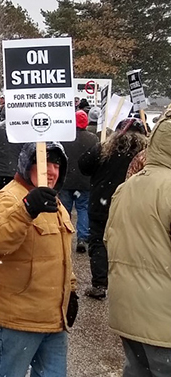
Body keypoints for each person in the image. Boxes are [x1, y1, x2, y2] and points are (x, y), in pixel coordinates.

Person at [0, 142, 78, 377]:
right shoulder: (8, 198)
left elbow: (60, 255)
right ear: (26, 165)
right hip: (18, 321)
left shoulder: (55, 202)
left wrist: (71, 291)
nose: (52, 171)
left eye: (57, 164)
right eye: (44, 163)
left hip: (54, 320)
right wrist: (25, 210)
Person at [106, 111, 171, 376]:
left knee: (137, 370)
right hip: (163, 314)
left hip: (127, 306)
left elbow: (110, 238)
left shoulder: (127, 187)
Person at [79, 118, 148, 300]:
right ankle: (125, 285)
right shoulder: (146, 154)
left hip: (102, 204)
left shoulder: (104, 149)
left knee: (99, 243)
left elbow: (83, 166)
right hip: (131, 205)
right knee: (129, 244)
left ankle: (100, 283)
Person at [58, 111, 99, 255]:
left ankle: (64, 236)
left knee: (64, 210)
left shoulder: (64, 137)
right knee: (83, 209)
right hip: (85, 180)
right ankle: (82, 238)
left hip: (66, 179)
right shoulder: (93, 139)